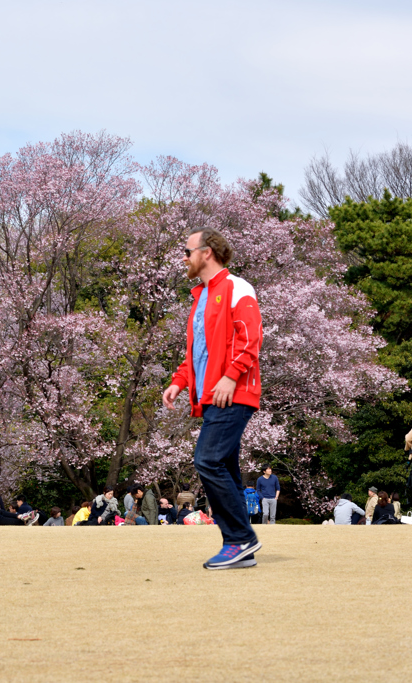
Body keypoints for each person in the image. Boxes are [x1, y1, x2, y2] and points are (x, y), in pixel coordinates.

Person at [162, 227, 263, 570]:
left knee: (207, 460)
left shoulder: (237, 287)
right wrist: (179, 380)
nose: (184, 257)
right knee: (227, 469)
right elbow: (198, 352)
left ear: (207, 252)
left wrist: (230, 377)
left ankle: (240, 539)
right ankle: (241, 545)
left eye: (187, 250)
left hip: (233, 393)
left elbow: (251, 339)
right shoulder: (201, 297)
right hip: (212, 396)